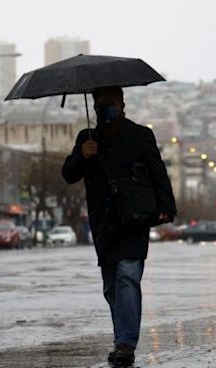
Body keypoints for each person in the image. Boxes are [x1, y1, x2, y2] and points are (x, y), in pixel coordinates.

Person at [62, 86, 177, 365]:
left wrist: (166, 207)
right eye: (100, 103)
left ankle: (126, 343)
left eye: (111, 102)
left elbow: (157, 171)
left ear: (122, 104)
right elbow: (68, 174)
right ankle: (121, 339)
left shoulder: (140, 135)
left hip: (134, 219)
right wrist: (82, 155)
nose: (106, 107)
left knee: (128, 276)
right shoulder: (87, 138)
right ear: (94, 105)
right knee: (112, 287)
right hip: (104, 224)